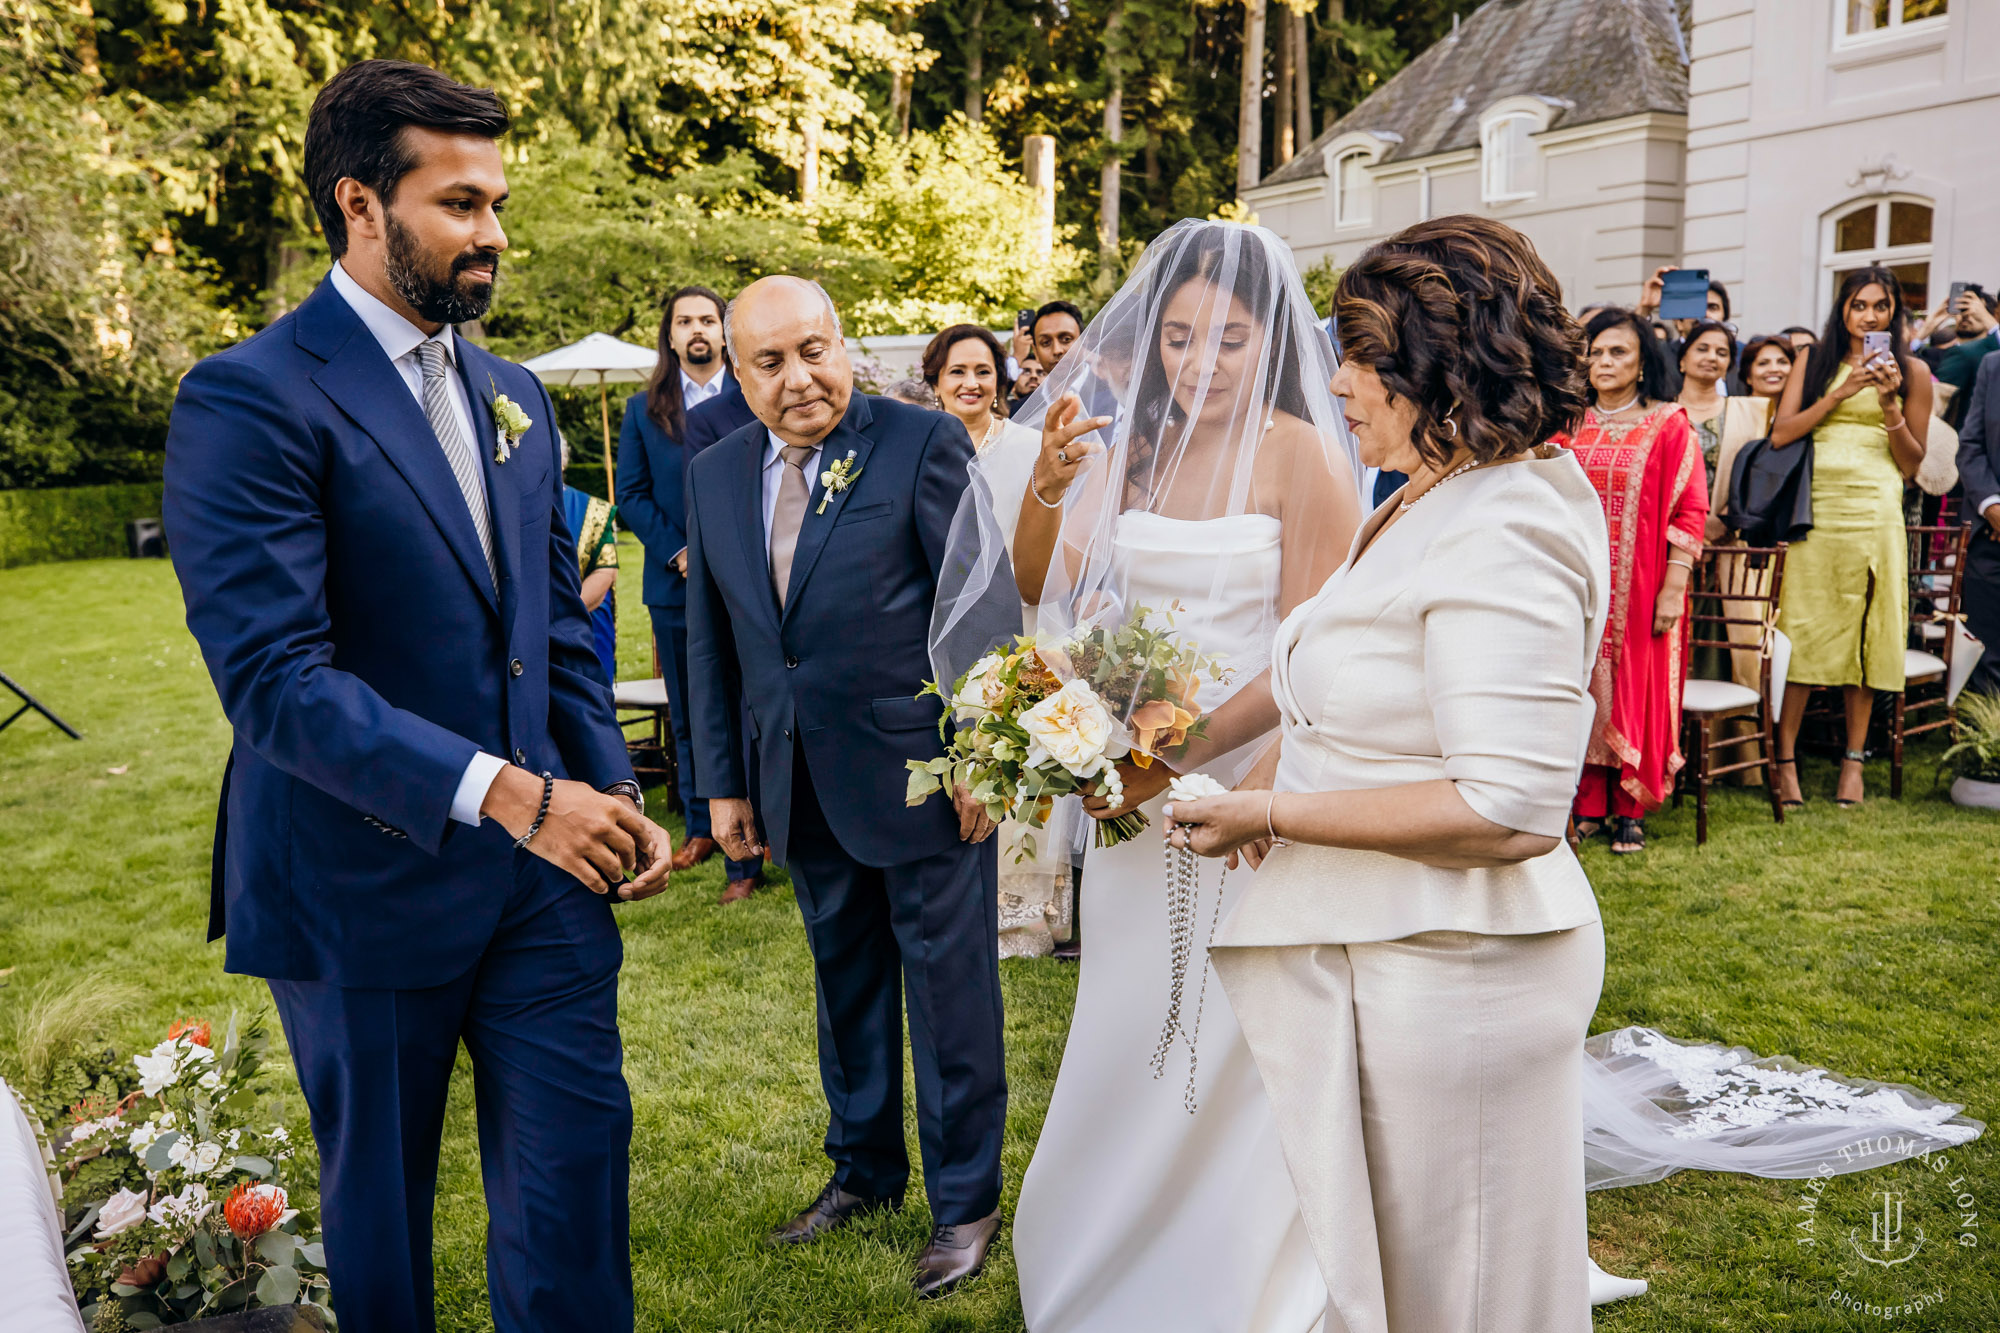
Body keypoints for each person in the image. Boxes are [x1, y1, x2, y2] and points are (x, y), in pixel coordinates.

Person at [160, 60, 675, 1332]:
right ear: (358, 203)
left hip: (543, 882)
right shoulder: (251, 396)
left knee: (573, 1198)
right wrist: (510, 793)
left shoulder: (514, 398)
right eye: (458, 203)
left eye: (496, 201)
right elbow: (276, 683)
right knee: (382, 1229)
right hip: (355, 880)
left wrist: (602, 786)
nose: (492, 231)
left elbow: (557, 623)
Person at [1165, 214, 1609, 1333]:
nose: (1338, 381)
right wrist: (1169, 757)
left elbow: (1506, 808)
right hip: (1390, 947)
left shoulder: (1505, 520)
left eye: (1363, 356)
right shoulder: (1424, 491)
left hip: (1456, 971)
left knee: (1453, 1291)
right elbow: (1322, 654)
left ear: (1442, 366)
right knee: (1383, 1281)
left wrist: (1267, 807)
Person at [949, 219, 1365, 1331]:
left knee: (1238, 1021)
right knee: (1135, 1008)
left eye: (1225, 341)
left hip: (1248, 785)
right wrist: (1043, 483)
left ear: (1266, 339)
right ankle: (1112, 1235)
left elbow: (1310, 655)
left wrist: (1233, 784)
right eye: (1178, 338)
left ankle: (1241, 1268)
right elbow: (1044, 581)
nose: (1197, 364)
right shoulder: (1131, 447)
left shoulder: (1304, 454)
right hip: (1131, 788)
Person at [682, 276, 1018, 1298]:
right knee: (846, 987)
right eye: (769, 363)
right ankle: (862, 1174)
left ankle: (964, 1203)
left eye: (814, 350)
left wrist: (982, 752)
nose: (799, 379)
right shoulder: (714, 471)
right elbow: (716, 643)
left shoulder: (918, 445)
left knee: (948, 991)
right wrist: (722, 782)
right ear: (735, 375)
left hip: (922, 774)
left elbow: (980, 604)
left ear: (845, 347)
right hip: (795, 777)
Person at [615, 286, 765, 897]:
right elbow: (632, 494)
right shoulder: (643, 407)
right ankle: (704, 827)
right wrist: (680, 552)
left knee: (752, 708)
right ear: (670, 335)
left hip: (750, 583)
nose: (697, 330)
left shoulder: (754, 394)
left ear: (724, 332)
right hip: (674, 585)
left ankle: (767, 831)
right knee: (689, 712)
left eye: (708, 319)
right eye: (685, 321)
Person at [1768, 266, 1931, 809]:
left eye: (1880, 307)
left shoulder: (1914, 372)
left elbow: (1912, 466)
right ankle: (1784, 759)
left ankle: (1853, 763)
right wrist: (1842, 392)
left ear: (1893, 314)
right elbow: (1782, 433)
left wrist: (1887, 404)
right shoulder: (1813, 362)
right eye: (1859, 305)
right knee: (1804, 628)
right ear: (1843, 310)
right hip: (1814, 509)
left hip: (1876, 510)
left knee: (1866, 631)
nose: (1869, 316)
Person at [1557, 307, 1708, 855]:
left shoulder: (1669, 423)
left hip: (1642, 585)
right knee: (1582, 684)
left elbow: (1691, 510)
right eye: (1595, 352)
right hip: (1575, 583)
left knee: (1633, 688)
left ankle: (1630, 807)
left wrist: (1674, 585)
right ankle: (1588, 803)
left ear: (1644, 362)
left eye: (1617, 351)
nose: (1603, 361)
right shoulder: (1568, 424)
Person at [1955, 342, 2000, 698]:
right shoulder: (1992, 366)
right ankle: (1988, 741)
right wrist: (1993, 507)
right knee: (1988, 647)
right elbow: (1971, 445)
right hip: (1990, 531)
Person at [560, 435, 620, 686]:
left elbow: (606, 570)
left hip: (583, 619)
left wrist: (564, 613)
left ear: (563, 460)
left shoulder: (592, 509)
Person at [922, 323, 1010, 452]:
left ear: (997, 380)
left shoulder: (1027, 442)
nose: (971, 384)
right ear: (936, 383)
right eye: (957, 372)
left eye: (983, 372)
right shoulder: (917, 443)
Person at [1677, 319, 1735, 471]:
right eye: (1702, 349)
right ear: (1683, 360)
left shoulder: (1741, 413)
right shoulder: (1661, 412)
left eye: (1721, 353)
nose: (1712, 357)